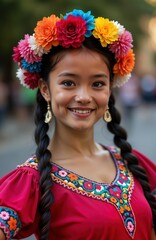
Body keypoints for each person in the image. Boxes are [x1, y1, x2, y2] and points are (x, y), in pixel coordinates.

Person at [0, 9, 156, 240]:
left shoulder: (133, 164)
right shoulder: (31, 181)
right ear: (45, 90)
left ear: (109, 89)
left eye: (97, 84)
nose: (84, 96)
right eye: (69, 83)